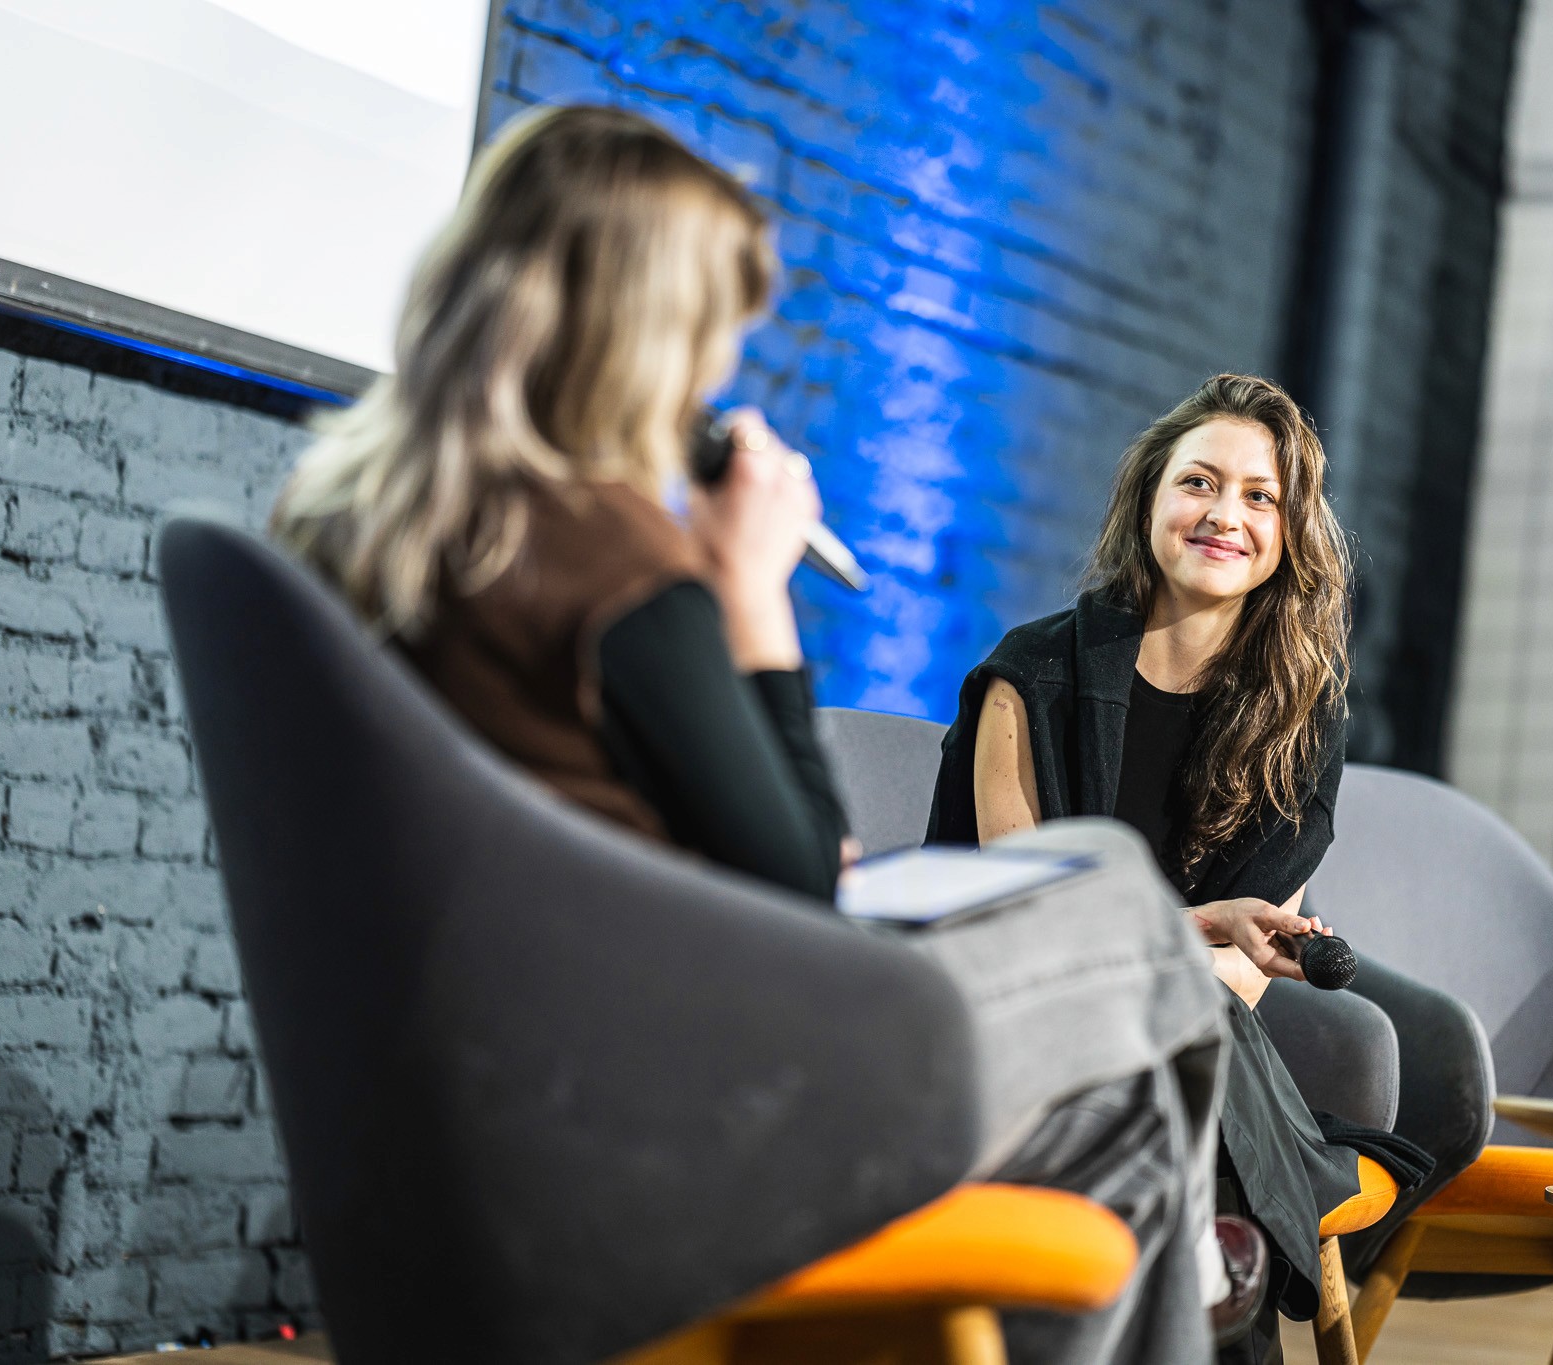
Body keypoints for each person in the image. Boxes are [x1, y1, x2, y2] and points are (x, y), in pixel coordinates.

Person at [269, 104, 1250, 1364]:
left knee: (1122, 1124)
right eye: (711, 338)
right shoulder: (610, 565)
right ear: (643, 336)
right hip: (670, 1123)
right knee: (1118, 909)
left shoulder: (342, 523)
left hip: (452, 1116)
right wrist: (747, 592)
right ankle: (1210, 1280)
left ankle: (1181, 1268)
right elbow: (796, 880)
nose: (714, 375)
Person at [929, 375, 1431, 1363]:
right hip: (1012, 1017)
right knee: (1195, 1047)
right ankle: (1219, 1276)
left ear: (1289, 533)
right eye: (1198, 482)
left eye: (1259, 496)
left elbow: (1241, 980)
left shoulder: (1301, 721)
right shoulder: (1032, 675)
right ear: (1148, 499)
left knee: (1198, 1026)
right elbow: (1028, 920)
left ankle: (1202, 1265)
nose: (1224, 514)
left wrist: (1170, 974)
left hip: (1187, 1043)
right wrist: (1187, 938)